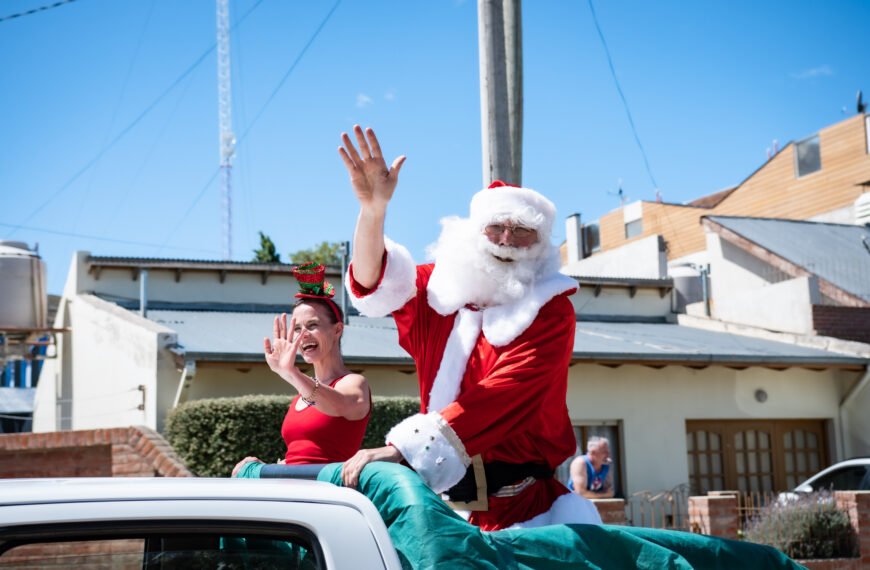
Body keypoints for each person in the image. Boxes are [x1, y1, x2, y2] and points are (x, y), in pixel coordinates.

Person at [336, 125, 601, 530]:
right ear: (474, 233)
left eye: (522, 230)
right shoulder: (441, 291)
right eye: (496, 226)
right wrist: (373, 212)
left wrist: (406, 449)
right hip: (441, 511)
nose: (506, 239)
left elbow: (500, 396)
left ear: (540, 245)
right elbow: (374, 282)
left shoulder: (551, 312)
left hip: (526, 513)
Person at [232, 262, 371, 476]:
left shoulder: (354, 383)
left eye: (312, 325)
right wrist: (262, 467)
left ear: (337, 330)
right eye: (297, 328)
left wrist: (291, 373)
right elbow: (301, 456)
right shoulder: (300, 394)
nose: (303, 334)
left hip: (330, 496)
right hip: (296, 491)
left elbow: (339, 406)